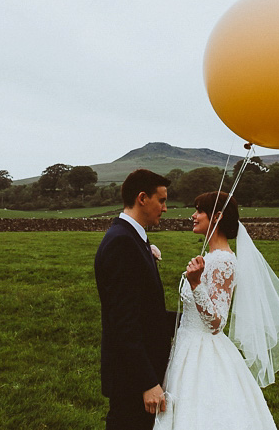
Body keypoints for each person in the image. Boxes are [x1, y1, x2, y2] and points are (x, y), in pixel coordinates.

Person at [156, 191, 279, 429]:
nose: (193, 215)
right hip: (186, 345)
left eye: (200, 211)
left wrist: (196, 284)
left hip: (203, 351)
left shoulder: (224, 262)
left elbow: (216, 323)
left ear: (217, 217)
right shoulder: (210, 257)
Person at [95, 169, 178, 429]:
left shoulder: (133, 238)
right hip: (131, 381)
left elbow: (146, 312)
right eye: (161, 200)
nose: (165, 208)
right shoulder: (122, 243)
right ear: (142, 198)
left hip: (138, 373)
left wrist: (189, 322)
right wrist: (147, 383)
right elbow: (124, 324)